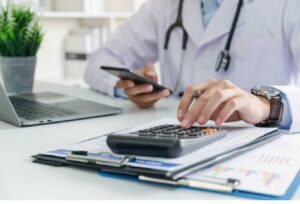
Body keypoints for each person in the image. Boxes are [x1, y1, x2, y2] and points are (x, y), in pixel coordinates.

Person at [85, 0, 300, 133]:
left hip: (257, 144)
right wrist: (130, 86)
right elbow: (99, 61)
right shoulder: (164, 5)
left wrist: (265, 106)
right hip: (178, 133)